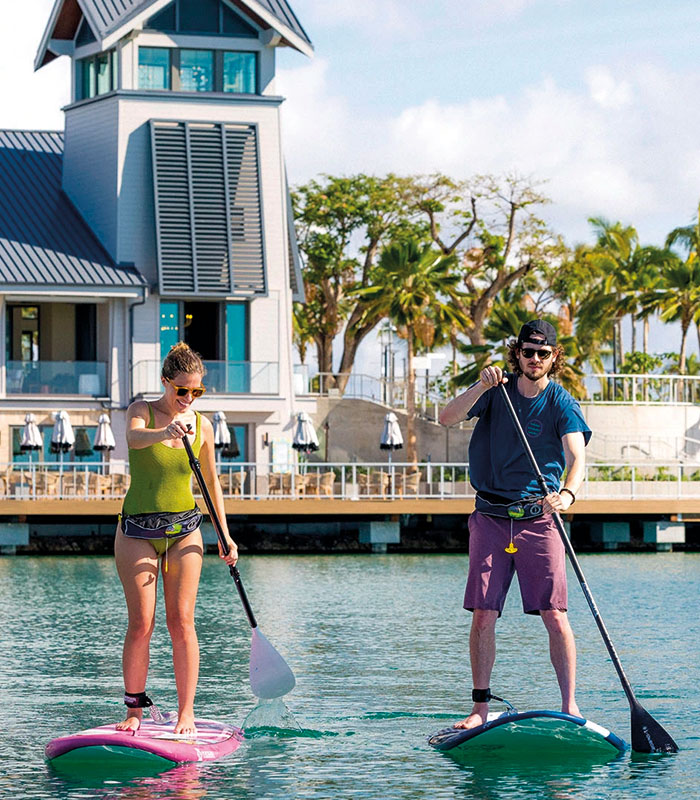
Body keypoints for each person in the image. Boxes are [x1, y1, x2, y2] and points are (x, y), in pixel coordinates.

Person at [439, 320, 591, 729]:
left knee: (554, 614)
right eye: (528, 352)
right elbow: (446, 417)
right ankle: (479, 709)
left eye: (543, 353)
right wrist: (481, 386)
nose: (535, 359)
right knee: (484, 614)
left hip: (539, 520)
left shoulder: (561, 402)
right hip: (489, 517)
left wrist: (568, 494)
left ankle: (569, 705)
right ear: (517, 353)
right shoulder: (496, 393)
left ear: (553, 357)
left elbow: (577, 459)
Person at [115, 342, 238, 735]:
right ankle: (134, 710)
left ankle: (186, 714)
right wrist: (163, 431)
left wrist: (225, 533)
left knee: (181, 621)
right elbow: (134, 440)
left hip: (186, 529)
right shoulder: (141, 412)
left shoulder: (203, 426)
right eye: (182, 390)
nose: (188, 398)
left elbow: (211, 483)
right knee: (142, 623)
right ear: (166, 382)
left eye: (196, 392)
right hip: (136, 529)